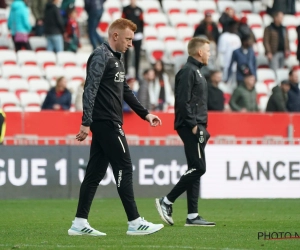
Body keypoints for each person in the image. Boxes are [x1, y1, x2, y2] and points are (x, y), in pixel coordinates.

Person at [68, 18, 164, 236]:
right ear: (115, 36)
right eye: (128, 39)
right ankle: (134, 222)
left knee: (94, 174)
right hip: (107, 122)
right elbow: (89, 89)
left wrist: (145, 114)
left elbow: (126, 91)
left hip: (107, 122)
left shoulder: (117, 59)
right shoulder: (100, 56)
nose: (131, 43)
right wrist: (86, 122)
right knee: (124, 167)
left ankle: (79, 224)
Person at [155, 37, 215, 227]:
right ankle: (166, 201)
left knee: (194, 169)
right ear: (199, 52)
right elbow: (182, 101)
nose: (209, 54)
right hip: (191, 126)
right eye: (208, 50)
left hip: (196, 125)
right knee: (199, 167)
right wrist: (194, 126)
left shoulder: (196, 71)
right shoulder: (188, 71)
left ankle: (192, 215)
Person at [122, 0, 144, 79]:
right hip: (128, 35)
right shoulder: (125, 9)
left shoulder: (139, 10)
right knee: (126, 54)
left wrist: (141, 32)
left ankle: (137, 73)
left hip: (137, 35)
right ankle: (126, 72)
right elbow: (123, 21)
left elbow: (142, 22)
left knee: (137, 55)